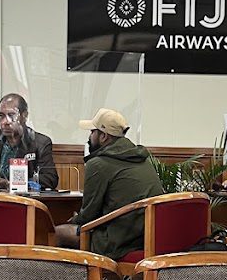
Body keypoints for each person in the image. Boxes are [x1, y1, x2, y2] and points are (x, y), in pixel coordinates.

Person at [55, 108, 164, 260]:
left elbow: (88, 216)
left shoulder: (98, 164)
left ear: (103, 136)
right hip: (149, 237)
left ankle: (75, 277)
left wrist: (72, 220)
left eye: (92, 132)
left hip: (119, 241)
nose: (89, 136)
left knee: (57, 233)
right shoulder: (142, 158)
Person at [0, 92, 58, 191]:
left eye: (11, 115)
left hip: (24, 198)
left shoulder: (40, 143)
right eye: (1, 116)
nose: (5, 122)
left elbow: (50, 179)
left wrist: (12, 183)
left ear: (24, 116)